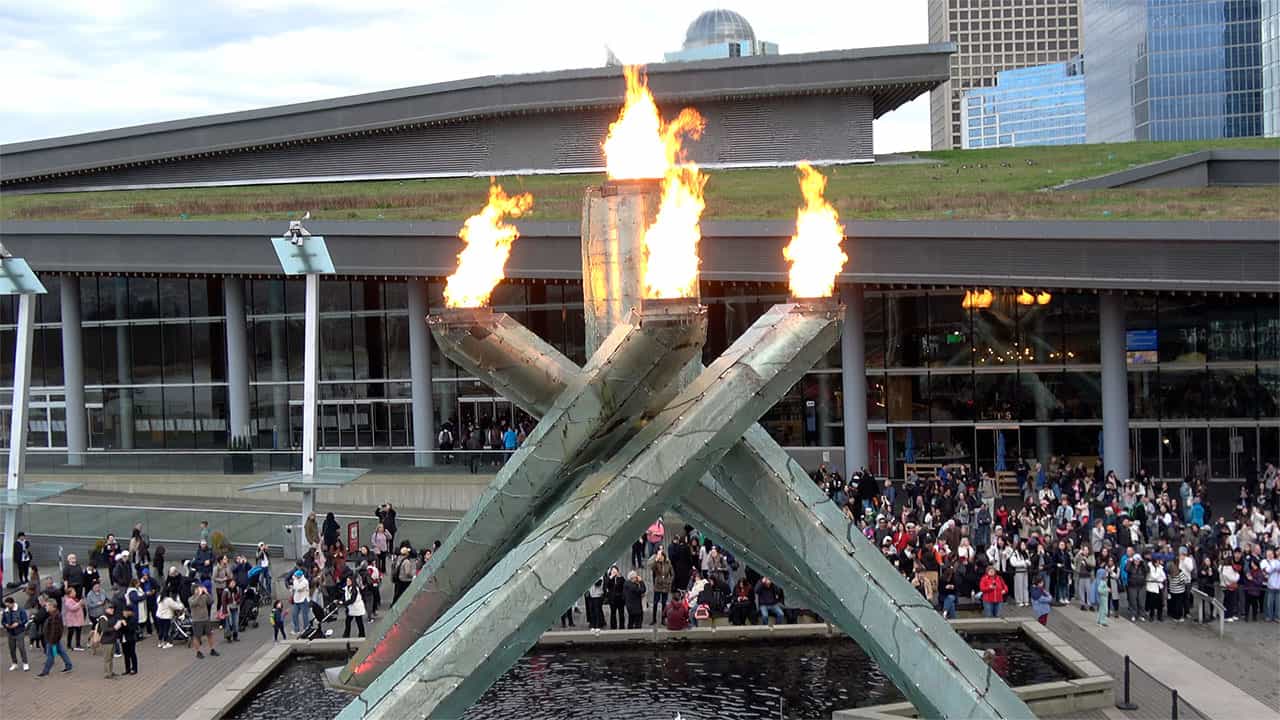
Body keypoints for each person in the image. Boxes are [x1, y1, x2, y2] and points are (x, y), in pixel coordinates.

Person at [37, 598, 72, 677]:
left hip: (52, 640)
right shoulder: (54, 614)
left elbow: (55, 630)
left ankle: (45, 671)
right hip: (54, 639)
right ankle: (69, 665)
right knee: (61, 652)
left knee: (50, 656)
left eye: (47, 606)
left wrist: (52, 641)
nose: (45, 607)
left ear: (52, 606)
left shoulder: (55, 616)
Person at [189, 584, 219, 659]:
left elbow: (211, 601)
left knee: (210, 634)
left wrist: (207, 593)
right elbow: (193, 603)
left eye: (199, 588)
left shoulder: (204, 597)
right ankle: (198, 652)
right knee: (197, 636)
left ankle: (212, 649)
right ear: (194, 591)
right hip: (197, 620)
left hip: (205, 619)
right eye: (197, 589)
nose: (199, 590)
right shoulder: (190, 599)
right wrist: (199, 595)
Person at [647, 549, 673, 626]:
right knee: (655, 603)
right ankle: (654, 619)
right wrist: (656, 560)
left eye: (661, 556)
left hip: (665, 585)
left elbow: (672, 573)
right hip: (658, 585)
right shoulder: (656, 563)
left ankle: (663, 619)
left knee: (664, 603)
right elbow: (652, 568)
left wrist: (669, 581)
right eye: (659, 556)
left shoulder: (668, 563)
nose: (660, 557)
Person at [3, 596, 29, 671]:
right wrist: (5, 625)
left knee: (21, 647)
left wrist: (18, 624)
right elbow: (3, 621)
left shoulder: (20, 610)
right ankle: (14, 663)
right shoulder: (6, 611)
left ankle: (25, 663)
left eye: (8, 605)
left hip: (19, 631)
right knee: (12, 648)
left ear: (13, 603)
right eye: (6, 605)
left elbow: (25, 619)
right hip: (10, 632)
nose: (7, 607)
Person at [95, 604, 121, 678]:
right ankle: (107, 673)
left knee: (111, 657)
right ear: (106, 609)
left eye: (113, 608)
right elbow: (105, 629)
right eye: (110, 608)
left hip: (112, 640)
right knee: (107, 658)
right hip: (106, 641)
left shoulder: (112, 616)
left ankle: (110, 672)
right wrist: (115, 628)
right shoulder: (103, 618)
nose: (112, 610)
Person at [61, 586, 86, 652]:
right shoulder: (68, 601)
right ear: (69, 594)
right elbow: (72, 608)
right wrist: (79, 603)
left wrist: (82, 604)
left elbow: (79, 606)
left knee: (78, 631)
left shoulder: (75, 599)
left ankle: (78, 644)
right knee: (71, 632)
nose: (75, 593)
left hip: (77, 619)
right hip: (72, 620)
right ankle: (68, 644)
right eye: (73, 592)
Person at [221, 578, 243, 642]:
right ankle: (228, 636)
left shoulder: (237, 589)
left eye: (234, 583)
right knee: (228, 623)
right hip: (228, 608)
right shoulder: (226, 591)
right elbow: (223, 601)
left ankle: (235, 635)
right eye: (231, 583)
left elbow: (240, 597)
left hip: (235, 607)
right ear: (228, 584)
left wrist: (238, 601)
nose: (233, 584)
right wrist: (225, 611)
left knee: (235, 622)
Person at [290, 569, 311, 634]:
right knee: (294, 614)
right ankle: (296, 629)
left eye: (296, 576)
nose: (295, 577)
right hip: (296, 600)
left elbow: (298, 588)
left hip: (304, 600)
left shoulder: (305, 581)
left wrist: (294, 583)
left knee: (305, 616)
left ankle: (306, 629)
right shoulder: (296, 580)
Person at [604, 566, 626, 630]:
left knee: (621, 613)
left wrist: (620, 577)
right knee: (613, 613)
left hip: (620, 599)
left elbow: (623, 585)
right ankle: (613, 626)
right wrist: (611, 577)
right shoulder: (610, 578)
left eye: (615, 571)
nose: (614, 572)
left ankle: (622, 626)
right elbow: (606, 585)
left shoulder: (621, 578)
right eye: (612, 571)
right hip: (612, 599)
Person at [119, 605, 139, 676]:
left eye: (125, 611)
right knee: (126, 654)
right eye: (123, 611)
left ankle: (134, 668)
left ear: (129, 612)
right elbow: (120, 629)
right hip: (123, 639)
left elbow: (131, 629)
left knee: (132, 653)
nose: (124, 612)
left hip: (130, 639)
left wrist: (125, 624)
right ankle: (127, 669)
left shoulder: (133, 618)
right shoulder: (123, 618)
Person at [1263, 548, 1280, 623]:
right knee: (1269, 602)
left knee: (1278, 603)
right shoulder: (1273, 562)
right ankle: (1269, 616)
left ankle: (1277, 617)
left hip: (1279, 585)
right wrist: (1275, 567)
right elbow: (1267, 570)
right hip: (1271, 585)